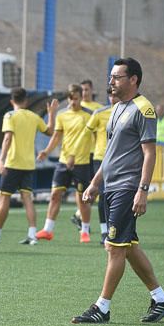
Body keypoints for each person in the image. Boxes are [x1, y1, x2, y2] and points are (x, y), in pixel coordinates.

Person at [72, 57, 164, 324]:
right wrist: (96, 182)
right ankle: (162, 299)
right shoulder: (118, 108)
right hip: (111, 186)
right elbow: (110, 153)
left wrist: (143, 190)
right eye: (111, 77)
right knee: (127, 246)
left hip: (128, 188)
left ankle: (102, 308)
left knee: (114, 247)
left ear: (133, 80)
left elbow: (149, 153)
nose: (111, 82)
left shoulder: (144, 109)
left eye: (117, 77)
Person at [0, 88, 59, 245]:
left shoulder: (9, 116)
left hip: (13, 163)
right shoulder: (33, 117)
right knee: (27, 199)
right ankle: (32, 235)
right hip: (28, 164)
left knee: (4, 198)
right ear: (26, 101)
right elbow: (49, 131)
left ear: (11, 101)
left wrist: (1, 159)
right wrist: (52, 114)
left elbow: (7, 138)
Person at [35, 84, 94, 243]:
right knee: (55, 195)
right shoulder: (62, 115)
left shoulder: (89, 115)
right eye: (70, 98)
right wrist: (46, 151)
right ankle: (47, 230)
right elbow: (56, 136)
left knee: (82, 199)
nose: (73, 102)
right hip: (63, 162)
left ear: (81, 98)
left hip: (82, 163)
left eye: (76, 98)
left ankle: (85, 231)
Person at [79, 86, 119, 244]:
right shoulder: (99, 113)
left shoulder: (129, 113)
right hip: (100, 158)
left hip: (119, 160)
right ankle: (104, 231)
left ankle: (116, 229)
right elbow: (85, 133)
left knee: (116, 195)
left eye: (115, 95)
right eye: (110, 96)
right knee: (103, 194)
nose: (112, 99)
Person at [70, 79, 104, 230]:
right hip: (80, 155)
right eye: (82, 90)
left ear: (92, 90)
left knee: (96, 188)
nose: (84, 93)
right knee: (83, 189)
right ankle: (83, 218)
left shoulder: (99, 109)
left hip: (95, 153)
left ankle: (79, 214)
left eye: (86, 90)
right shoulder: (76, 107)